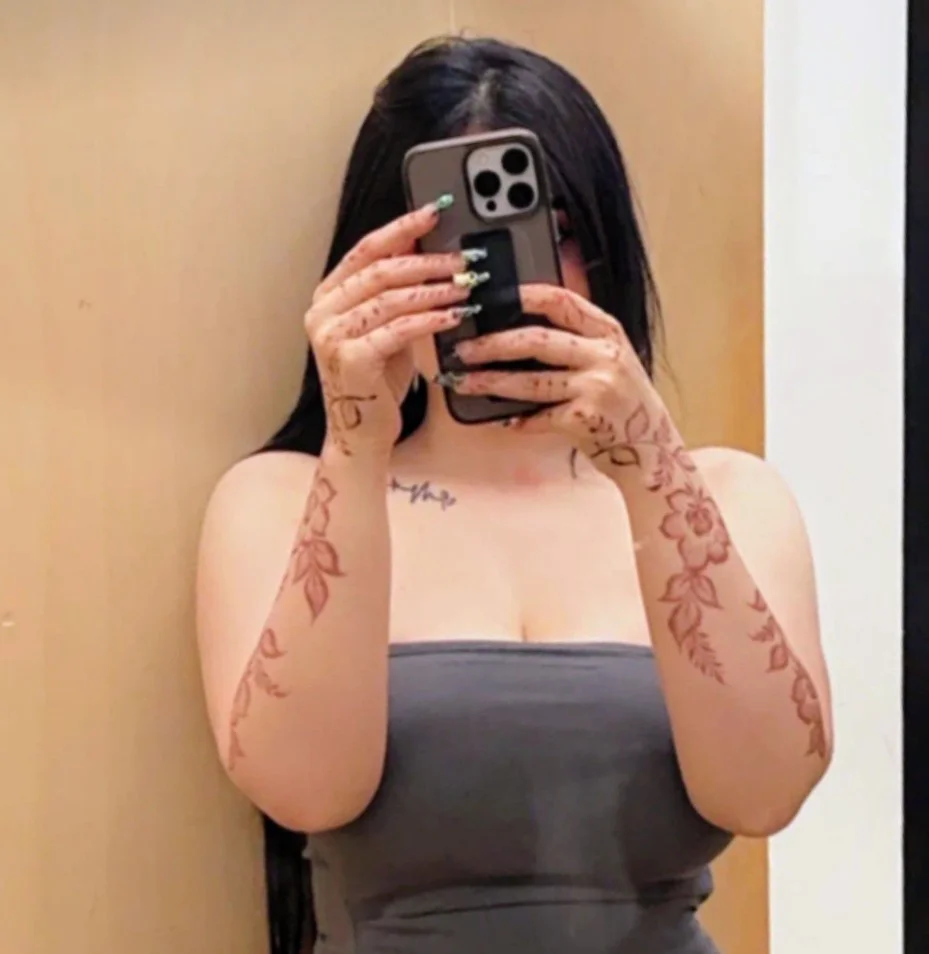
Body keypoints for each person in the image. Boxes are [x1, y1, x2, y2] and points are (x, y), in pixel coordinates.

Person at [195, 35, 833, 954]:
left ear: (606, 251)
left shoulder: (730, 495)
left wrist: (650, 462)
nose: (513, 276)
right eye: (446, 238)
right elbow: (306, 789)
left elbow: (764, 794)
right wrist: (356, 439)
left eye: (552, 229)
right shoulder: (278, 501)